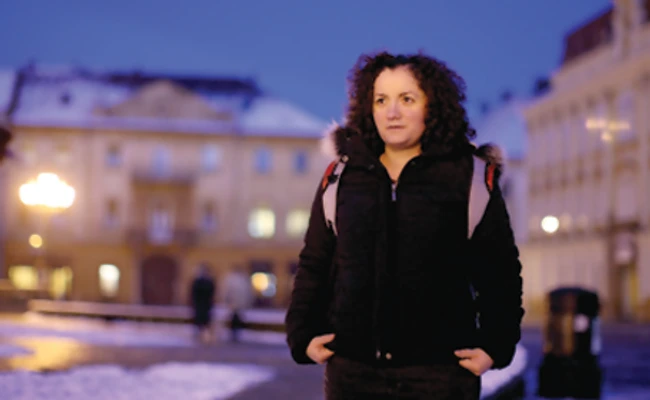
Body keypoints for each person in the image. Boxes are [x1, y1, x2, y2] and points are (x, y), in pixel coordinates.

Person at [285, 51, 524, 400]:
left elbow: (500, 272)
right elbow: (314, 263)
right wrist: (302, 334)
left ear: (433, 106)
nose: (392, 112)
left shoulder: (470, 178)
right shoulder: (341, 176)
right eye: (381, 100)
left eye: (407, 99)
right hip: (353, 375)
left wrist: (495, 345)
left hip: (441, 377)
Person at [190, 263, 216, 344]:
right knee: (200, 319)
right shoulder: (199, 281)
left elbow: (212, 292)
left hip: (205, 304)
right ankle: (201, 334)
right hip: (200, 304)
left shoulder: (207, 281)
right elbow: (193, 293)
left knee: (205, 320)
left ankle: (204, 335)